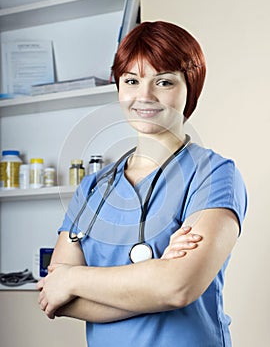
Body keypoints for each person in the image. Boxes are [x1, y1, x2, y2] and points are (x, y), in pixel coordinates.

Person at [37, 21, 247, 347]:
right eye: (131, 81)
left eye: (164, 81)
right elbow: (56, 298)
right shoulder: (92, 188)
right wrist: (155, 279)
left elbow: (178, 287)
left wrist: (74, 278)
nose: (144, 96)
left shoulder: (214, 174)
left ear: (191, 87)